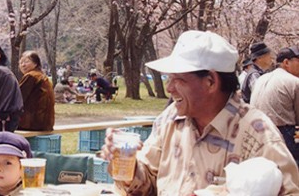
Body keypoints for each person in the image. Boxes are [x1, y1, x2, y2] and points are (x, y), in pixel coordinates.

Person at [101, 30, 299, 195]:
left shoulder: (257, 134)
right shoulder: (170, 120)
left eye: (179, 79)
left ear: (211, 81)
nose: (169, 88)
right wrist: (128, 164)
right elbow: (149, 181)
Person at [250, 45, 299, 164]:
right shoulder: (294, 82)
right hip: (282, 133)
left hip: (255, 134)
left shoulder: (260, 79)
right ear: (286, 62)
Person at [17, 51, 55, 131]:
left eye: (26, 61)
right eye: (20, 63)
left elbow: (17, 98)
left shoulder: (32, 76)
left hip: (32, 123)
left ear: (35, 63)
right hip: (46, 123)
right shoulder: (42, 76)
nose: (23, 65)